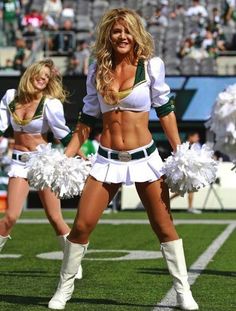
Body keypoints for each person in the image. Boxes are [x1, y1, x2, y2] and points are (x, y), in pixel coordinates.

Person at [48, 8, 199, 311]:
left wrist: (180, 150)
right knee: (80, 227)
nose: (122, 36)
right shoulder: (96, 70)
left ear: (136, 34)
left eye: (128, 30)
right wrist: (62, 158)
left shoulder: (151, 66)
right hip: (106, 160)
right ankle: (63, 290)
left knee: (164, 227)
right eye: (116, 31)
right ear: (108, 34)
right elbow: (86, 120)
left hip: (145, 159)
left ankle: (183, 292)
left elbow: (165, 111)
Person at [0, 59, 82, 279]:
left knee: (55, 217)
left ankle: (73, 264)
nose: (43, 79)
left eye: (47, 77)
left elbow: (63, 135)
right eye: (40, 74)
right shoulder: (10, 97)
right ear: (31, 73)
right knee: (10, 217)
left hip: (43, 163)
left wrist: (82, 157)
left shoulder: (50, 104)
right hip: (18, 163)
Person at [170, 132, 202, 214]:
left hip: (192, 171)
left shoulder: (197, 146)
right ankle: (190, 207)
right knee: (185, 189)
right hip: (184, 171)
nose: (197, 139)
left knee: (190, 189)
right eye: (196, 137)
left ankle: (190, 207)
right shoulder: (183, 146)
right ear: (190, 136)